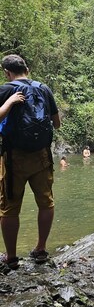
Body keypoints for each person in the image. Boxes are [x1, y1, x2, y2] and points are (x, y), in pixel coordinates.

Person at [0, 54, 60, 270]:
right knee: (46, 202)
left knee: (10, 207)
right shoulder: (44, 89)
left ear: (7, 72)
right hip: (42, 156)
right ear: (27, 68)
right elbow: (57, 123)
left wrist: (9, 103)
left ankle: (12, 258)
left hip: (13, 158)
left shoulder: (6, 89)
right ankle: (41, 249)